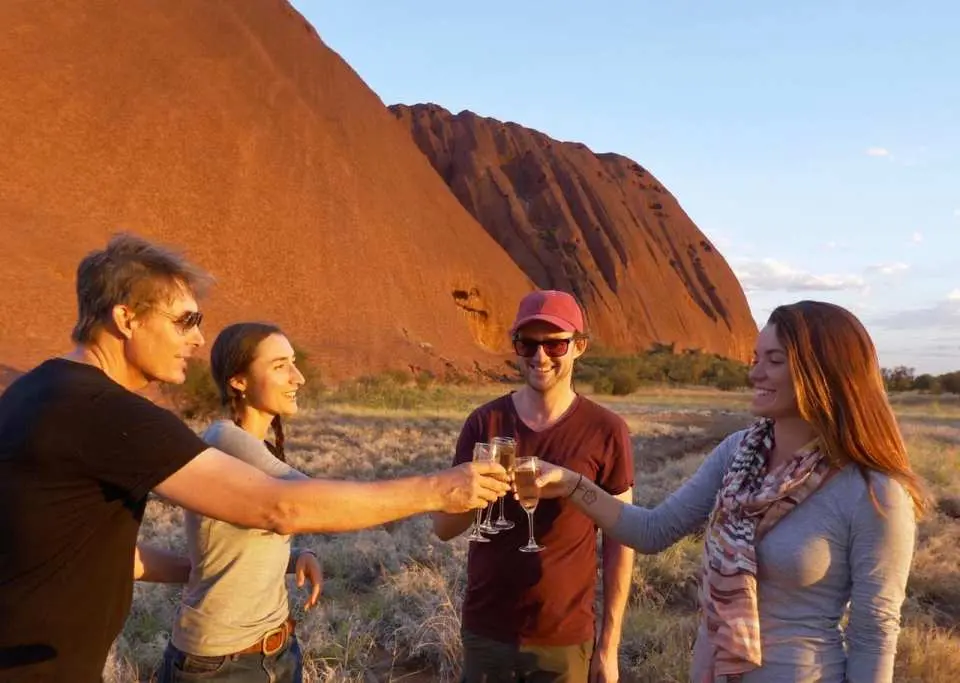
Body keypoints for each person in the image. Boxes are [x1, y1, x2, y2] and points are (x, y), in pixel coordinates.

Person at [0, 233, 509, 683]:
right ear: (126, 319)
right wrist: (440, 489)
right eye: (184, 321)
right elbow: (279, 507)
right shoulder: (107, 412)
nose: (198, 338)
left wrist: (209, 571)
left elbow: (100, 552)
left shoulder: (35, 392)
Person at [535, 300, 926, 683]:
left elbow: (874, 632)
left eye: (774, 360)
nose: (756, 374)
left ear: (823, 372)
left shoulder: (875, 491)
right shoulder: (740, 453)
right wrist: (571, 484)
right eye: (756, 359)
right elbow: (652, 532)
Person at [433, 290, 636, 683]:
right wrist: (481, 492)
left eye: (555, 344)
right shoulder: (484, 423)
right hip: (487, 631)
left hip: (563, 639)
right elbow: (443, 529)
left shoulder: (606, 431)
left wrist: (608, 646)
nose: (540, 356)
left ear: (579, 347)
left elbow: (620, 540)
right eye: (528, 344)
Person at [158, 323, 323, 682]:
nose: (299, 378)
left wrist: (297, 556)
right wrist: (431, 491)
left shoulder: (257, 447)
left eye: (294, 363)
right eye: (280, 366)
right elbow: (309, 502)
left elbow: (234, 544)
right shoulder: (224, 439)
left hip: (276, 649)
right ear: (239, 381)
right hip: (221, 663)